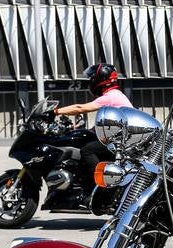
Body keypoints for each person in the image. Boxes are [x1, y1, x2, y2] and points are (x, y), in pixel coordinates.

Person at [54, 63, 135, 195]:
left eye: (93, 78)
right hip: (124, 139)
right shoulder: (115, 95)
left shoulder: (110, 96)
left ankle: (100, 187)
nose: (91, 81)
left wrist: (55, 112)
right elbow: (104, 123)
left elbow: (80, 108)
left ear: (101, 79)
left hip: (123, 142)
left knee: (87, 151)